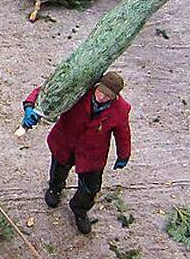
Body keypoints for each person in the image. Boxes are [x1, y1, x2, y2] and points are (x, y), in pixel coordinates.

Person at [20, 71, 132, 234]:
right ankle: (55, 188)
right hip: (65, 141)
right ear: (96, 86)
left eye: (107, 96)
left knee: (91, 187)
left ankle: (80, 208)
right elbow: (45, 92)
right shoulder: (79, 91)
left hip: (93, 153)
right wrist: (31, 107)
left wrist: (124, 154)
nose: (101, 97)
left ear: (115, 97)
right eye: (100, 92)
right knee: (58, 168)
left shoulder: (120, 109)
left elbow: (123, 133)